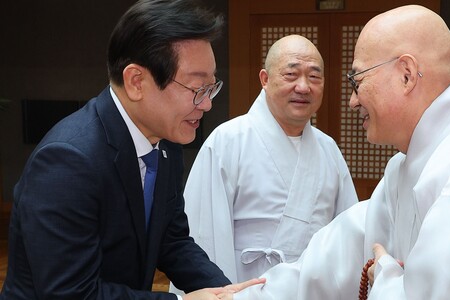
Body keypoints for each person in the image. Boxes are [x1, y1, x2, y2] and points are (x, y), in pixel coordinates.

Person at [220, 5, 450, 300]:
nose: (353, 100)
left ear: (406, 75)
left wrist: (384, 275)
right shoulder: (403, 169)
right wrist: (244, 296)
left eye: (358, 81)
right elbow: (332, 259)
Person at [0, 0, 264, 299]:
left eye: (211, 87)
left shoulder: (165, 143)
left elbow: (172, 241)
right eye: (196, 89)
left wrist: (225, 292)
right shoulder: (67, 161)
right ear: (136, 81)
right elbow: (70, 293)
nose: (207, 103)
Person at [180, 34, 358, 283]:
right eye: (291, 74)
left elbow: (348, 234)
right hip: (244, 289)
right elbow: (203, 235)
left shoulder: (328, 150)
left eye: (314, 76)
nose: (304, 87)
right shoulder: (228, 142)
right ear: (265, 79)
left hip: (312, 290)